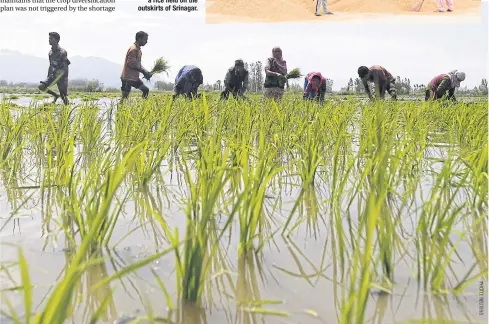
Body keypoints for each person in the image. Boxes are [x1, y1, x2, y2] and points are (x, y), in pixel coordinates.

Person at [38, 32, 70, 105]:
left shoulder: (63, 52)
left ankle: (67, 111)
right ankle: (55, 95)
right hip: (53, 75)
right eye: (49, 38)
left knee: (64, 97)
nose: (49, 40)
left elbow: (66, 67)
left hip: (61, 77)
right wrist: (48, 77)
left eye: (51, 39)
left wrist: (64, 79)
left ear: (57, 40)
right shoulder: (50, 53)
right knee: (41, 86)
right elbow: (51, 65)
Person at [120, 31, 153, 103]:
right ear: (139, 39)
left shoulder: (138, 50)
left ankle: (144, 107)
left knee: (145, 90)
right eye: (145, 39)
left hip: (134, 78)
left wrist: (146, 71)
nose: (146, 42)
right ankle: (119, 112)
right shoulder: (134, 49)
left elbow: (138, 64)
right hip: (127, 78)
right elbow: (131, 63)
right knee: (124, 98)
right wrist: (143, 72)